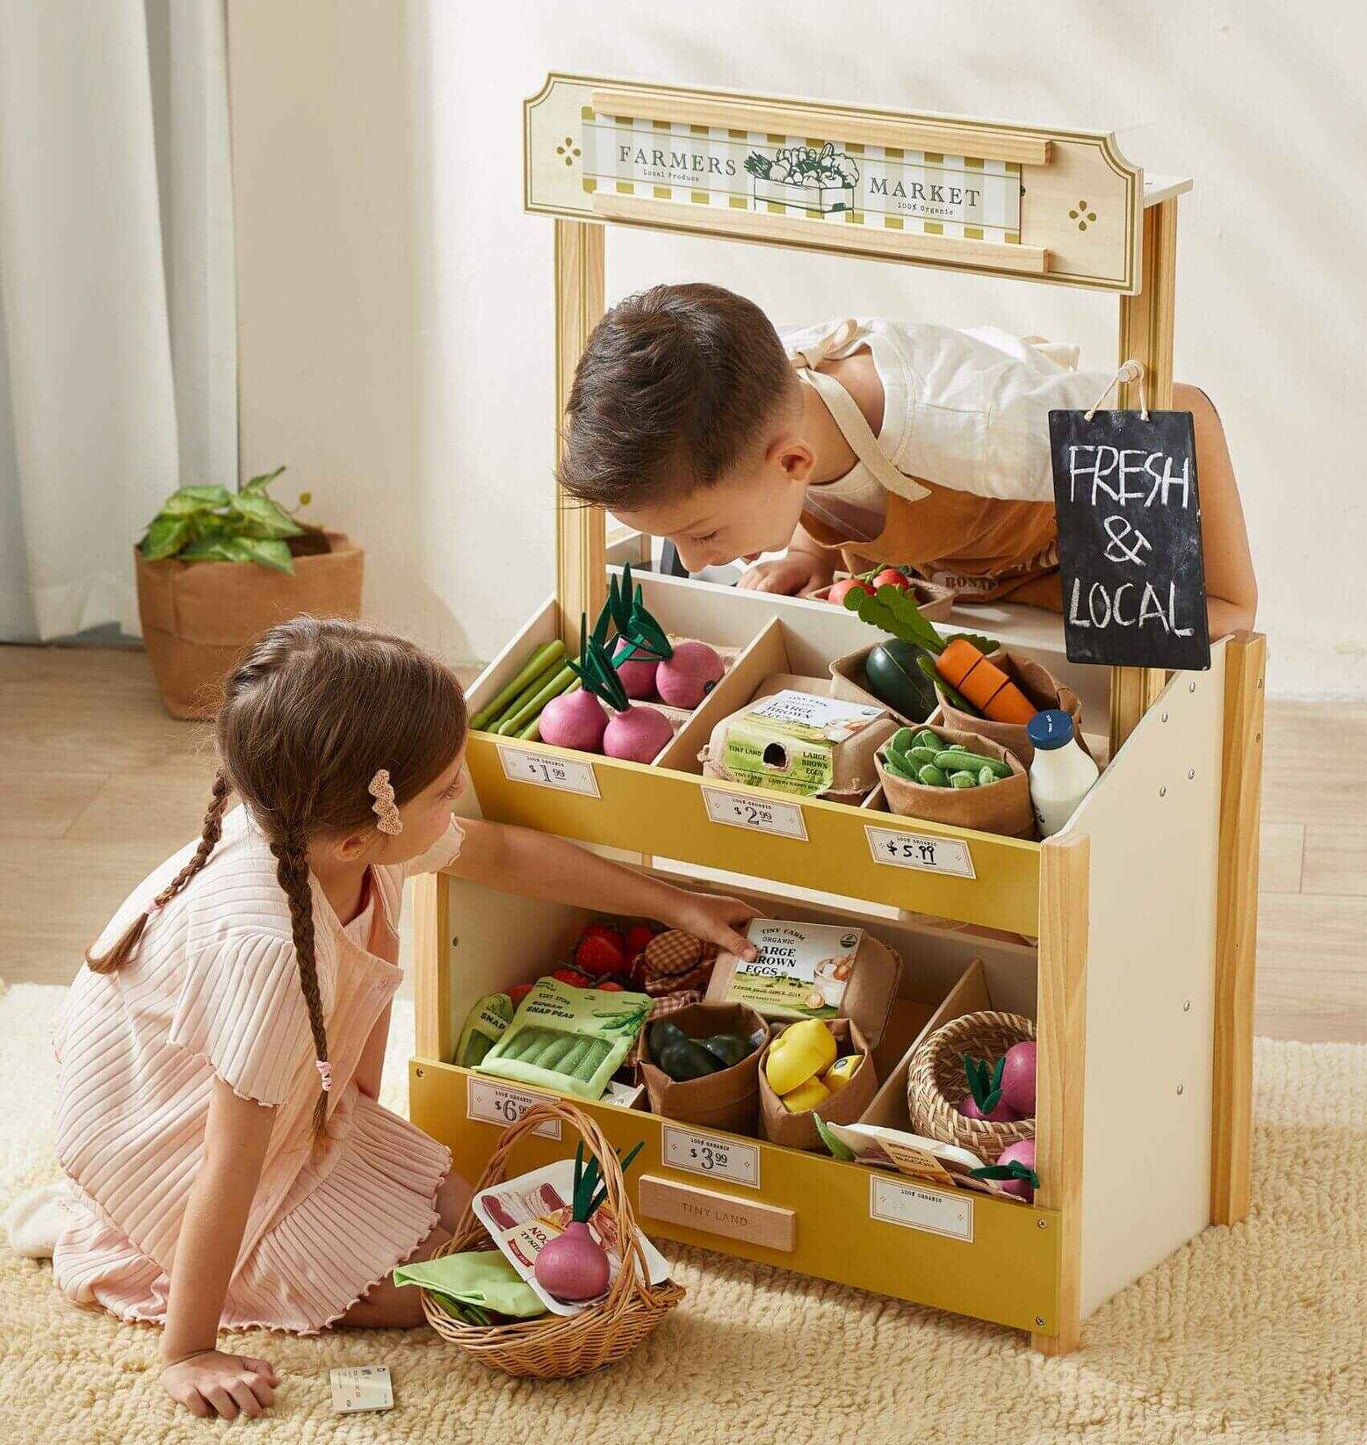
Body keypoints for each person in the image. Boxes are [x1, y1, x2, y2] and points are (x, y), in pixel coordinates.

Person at [45, 617, 757, 1420]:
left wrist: (677, 904)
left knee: (471, 1212)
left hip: (288, 1119)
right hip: (175, 1145)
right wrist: (189, 1348)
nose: (457, 801)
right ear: (359, 836)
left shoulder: (327, 830)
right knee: (421, 1289)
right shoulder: (272, 943)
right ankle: (126, 1241)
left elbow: (504, 854)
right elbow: (227, 1162)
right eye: (446, 790)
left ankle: (302, 1202)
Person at [556, 283, 1257, 638]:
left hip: (1056, 567)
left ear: (793, 461)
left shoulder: (974, 420)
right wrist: (813, 551)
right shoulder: (770, 404)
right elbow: (807, 476)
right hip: (946, 587)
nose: (698, 561)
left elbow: (1181, 411)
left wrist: (1222, 600)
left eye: (703, 534)